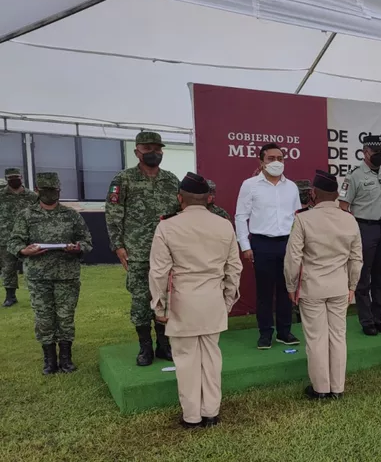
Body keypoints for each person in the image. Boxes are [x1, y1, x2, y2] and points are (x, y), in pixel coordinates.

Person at [149, 172, 242, 428]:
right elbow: (234, 268)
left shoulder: (167, 226)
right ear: (208, 199)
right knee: (212, 356)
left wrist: (160, 306)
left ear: (180, 199)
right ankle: (211, 412)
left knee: (186, 359)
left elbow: (158, 273)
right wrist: (228, 300)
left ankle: (191, 415)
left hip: (182, 302)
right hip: (213, 300)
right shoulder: (224, 225)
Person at [285, 171, 362, 399]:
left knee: (317, 338)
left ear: (313, 194)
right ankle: (337, 388)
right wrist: (352, 286)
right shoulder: (349, 219)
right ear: (337, 195)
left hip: (312, 288)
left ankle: (320, 388)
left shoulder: (303, 219)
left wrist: (291, 286)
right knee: (338, 337)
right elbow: (356, 259)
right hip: (339, 286)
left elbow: (292, 259)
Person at [105, 131, 180, 366]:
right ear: (137, 151)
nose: (153, 153)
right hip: (137, 251)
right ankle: (144, 347)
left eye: (157, 149)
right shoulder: (123, 179)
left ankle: (163, 346)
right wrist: (118, 245)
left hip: (167, 251)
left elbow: (179, 215)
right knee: (140, 300)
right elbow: (114, 214)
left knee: (165, 297)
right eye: (148, 149)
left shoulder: (171, 180)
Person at [8, 172, 93, 374]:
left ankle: (65, 357)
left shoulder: (71, 215)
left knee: (65, 317)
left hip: (67, 275)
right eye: (46, 191)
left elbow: (87, 242)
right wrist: (24, 250)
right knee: (44, 318)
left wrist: (77, 248)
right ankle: (49, 359)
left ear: (59, 191)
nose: (51, 194)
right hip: (38, 276)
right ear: (38, 191)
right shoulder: (26, 215)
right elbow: (14, 242)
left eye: (54, 191)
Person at [235, 142, 302, 349]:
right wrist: (245, 245)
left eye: (280, 159)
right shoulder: (250, 185)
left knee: (286, 289)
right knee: (264, 292)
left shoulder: (291, 187)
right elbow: (240, 216)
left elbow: (298, 218)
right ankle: (265, 334)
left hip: (286, 243)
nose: (276, 162)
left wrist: (299, 246)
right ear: (261, 162)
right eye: (271, 159)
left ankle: (284, 331)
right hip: (261, 243)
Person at [339, 134, 381, 335]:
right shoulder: (354, 176)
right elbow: (344, 206)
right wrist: (351, 233)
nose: (380, 155)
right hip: (363, 228)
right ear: (365, 152)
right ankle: (366, 321)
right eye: (375, 152)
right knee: (363, 277)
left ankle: (378, 317)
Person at [0, 167, 39, 307]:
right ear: (7, 179)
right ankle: (10, 296)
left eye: (16, 177)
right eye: (11, 178)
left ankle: (37, 294)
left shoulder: (31, 196)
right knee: (8, 268)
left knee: (33, 266)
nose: (14, 180)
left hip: (27, 237)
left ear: (21, 177)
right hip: (6, 237)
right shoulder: (1, 195)